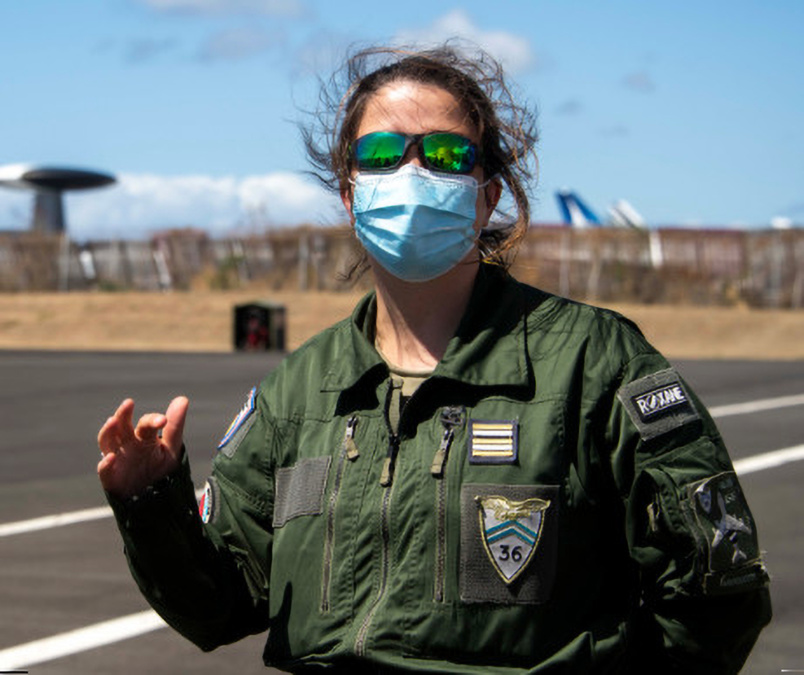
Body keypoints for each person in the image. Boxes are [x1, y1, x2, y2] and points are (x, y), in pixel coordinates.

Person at [98, 44, 771, 673]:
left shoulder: (597, 363)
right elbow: (218, 604)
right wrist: (149, 501)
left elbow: (718, 594)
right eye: (383, 152)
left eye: (448, 153)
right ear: (348, 190)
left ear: (488, 193)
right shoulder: (298, 391)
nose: (413, 171)